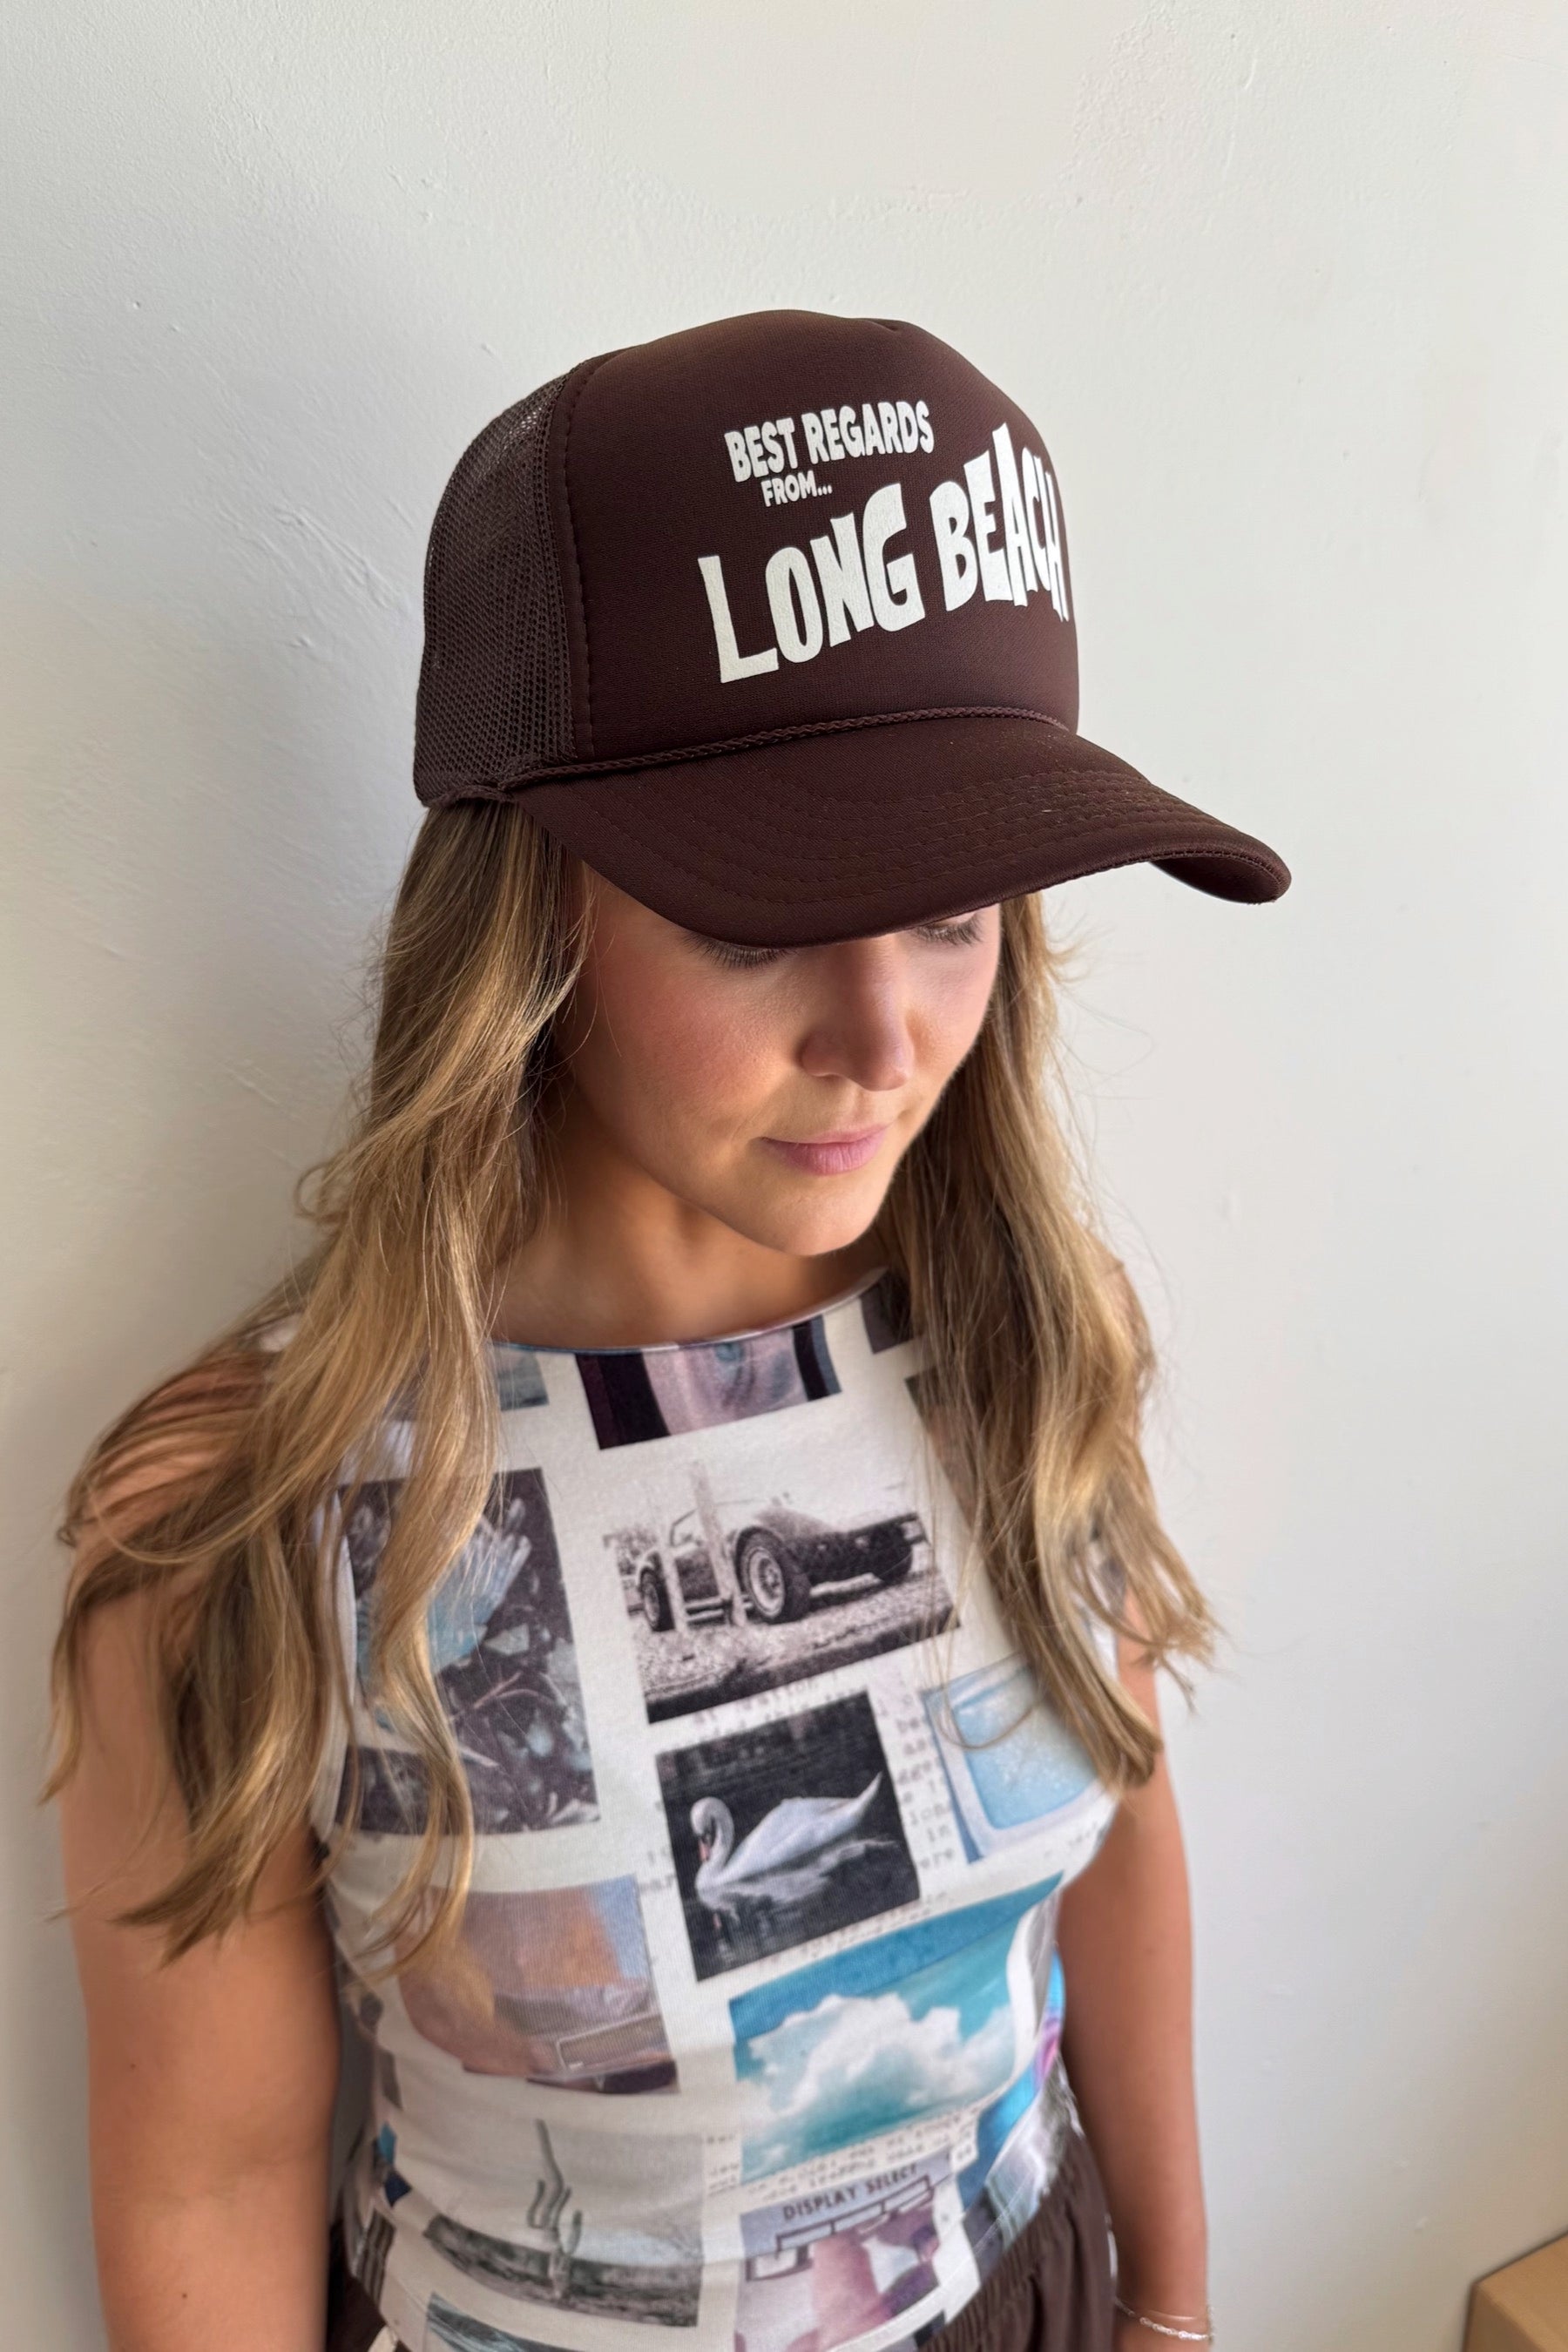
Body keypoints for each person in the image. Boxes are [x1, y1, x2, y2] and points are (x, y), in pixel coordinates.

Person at [44, 308, 1288, 2352]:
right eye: (761, 914)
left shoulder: (1025, 1334)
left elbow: (1116, 1838)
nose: (885, 1038)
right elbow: (215, 2171)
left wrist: (1168, 2308)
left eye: (956, 912)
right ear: (531, 912)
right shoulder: (246, 1523)